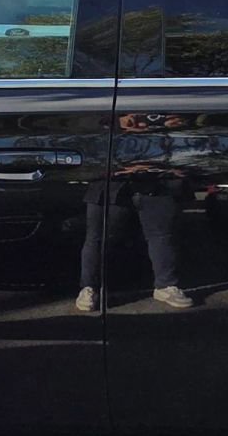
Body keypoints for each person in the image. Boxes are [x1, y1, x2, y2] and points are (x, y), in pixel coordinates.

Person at [76, 113, 194, 310]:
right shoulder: (100, 104)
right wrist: (115, 123)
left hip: (158, 179)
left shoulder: (162, 97)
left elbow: (188, 132)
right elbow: (84, 134)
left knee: (162, 236)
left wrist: (172, 125)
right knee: (97, 237)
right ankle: (89, 288)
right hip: (110, 180)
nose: (139, 123)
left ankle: (166, 285)